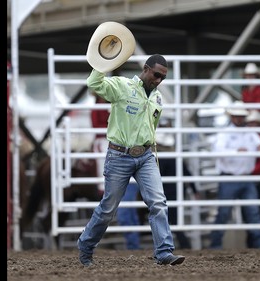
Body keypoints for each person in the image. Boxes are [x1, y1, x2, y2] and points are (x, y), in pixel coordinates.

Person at [77, 54, 185, 266]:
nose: (159, 80)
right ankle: (86, 245)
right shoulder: (122, 86)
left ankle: (164, 252)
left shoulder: (157, 98)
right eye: (156, 75)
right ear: (145, 69)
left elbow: (151, 128)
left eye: (163, 77)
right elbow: (93, 83)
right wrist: (102, 64)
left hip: (145, 155)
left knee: (158, 202)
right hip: (119, 155)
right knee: (108, 208)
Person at [209, 101, 260, 249]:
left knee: (253, 213)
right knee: (224, 213)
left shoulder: (250, 133)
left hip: (245, 178)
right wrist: (237, 152)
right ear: (232, 117)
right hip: (230, 177)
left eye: (241, 116)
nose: (239, 119)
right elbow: (217, 151)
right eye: (237, 116)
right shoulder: (225, 133)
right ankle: (216, 246)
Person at [156, 119, 200, 249]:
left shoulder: (159, 157)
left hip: (165, 191)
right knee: (173, 219)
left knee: (165, 218)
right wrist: (194, 189)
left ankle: (172, 245)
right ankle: (182, 245)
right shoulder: (175, 155)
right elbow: (186, 173)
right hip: (175, 191)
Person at [90, 93, 110, 192]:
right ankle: (102, 188)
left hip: (110, 140)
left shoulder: (110, 107)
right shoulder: (96, 109)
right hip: (102, 140)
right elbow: (96, 126)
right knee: (102, 162)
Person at [116, 181, 141, 250]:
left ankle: (133, 247)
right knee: (129, 213)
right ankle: (133, 247)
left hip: (126, 177)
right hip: (122, 178)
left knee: (125, 213)